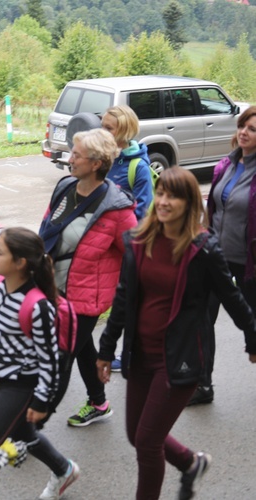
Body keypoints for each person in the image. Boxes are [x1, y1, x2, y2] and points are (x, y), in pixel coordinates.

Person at [97, 166, 256, 500]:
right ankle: (190, 462)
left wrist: (252, 337)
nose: (164, 201)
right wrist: (106, 349)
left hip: (178, 360)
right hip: (140, 355)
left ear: (189, 204)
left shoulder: (203, 249)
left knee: (147, 442)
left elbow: (233, 299)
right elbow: (123, 298)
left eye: (174, 195)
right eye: (161, 193)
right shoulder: (139, 242)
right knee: (135, 434)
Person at [0, 227, 80, 500]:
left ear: (20, 263)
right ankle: (63, 469)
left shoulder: (38, 307)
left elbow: (49, 360)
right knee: (23, 434)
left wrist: (41, 401)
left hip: (24, 385)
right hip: (3, 377)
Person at [38, 128, 137, 427]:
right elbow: (46, 229)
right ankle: (99, 402)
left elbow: (137, 254)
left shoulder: (116, 208)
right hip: (54, 288)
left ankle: (31, 425)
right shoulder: (65, 187)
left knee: (60, 358)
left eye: (77, 155)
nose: (70, 159)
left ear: (96, 163)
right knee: (82, 348)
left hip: (86, 299)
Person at [188, 105, 256, 406]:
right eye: (243, 125)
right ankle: (203, 384)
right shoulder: (224, 166)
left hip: (249, 262)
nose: (244, 132)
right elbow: (212, 211)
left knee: (252, 322)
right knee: (202, 317)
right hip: (214, 256)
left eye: (252, 129)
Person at [102, 105, 154, 372]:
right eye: (102, 125)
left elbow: (145, 213)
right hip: (105, 247)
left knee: (129, 302)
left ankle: (129, 353)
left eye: (108, 128)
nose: (103, 131)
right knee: (115, 301)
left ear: (123, 132)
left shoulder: (137, 167)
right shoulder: (103, 159)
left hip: (129, 248)